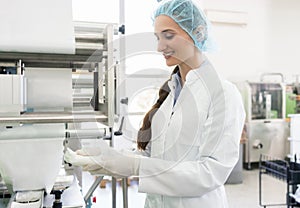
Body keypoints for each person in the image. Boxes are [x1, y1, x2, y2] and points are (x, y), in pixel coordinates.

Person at [64, 0, 246, 207]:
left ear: (199, 33)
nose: (160, 46)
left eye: (168, 35)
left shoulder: (223, 94)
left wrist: (135, 166)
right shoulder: (171, 93)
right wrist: (111, 157)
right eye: (157, 38)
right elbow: (154, 155)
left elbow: (209, 173)